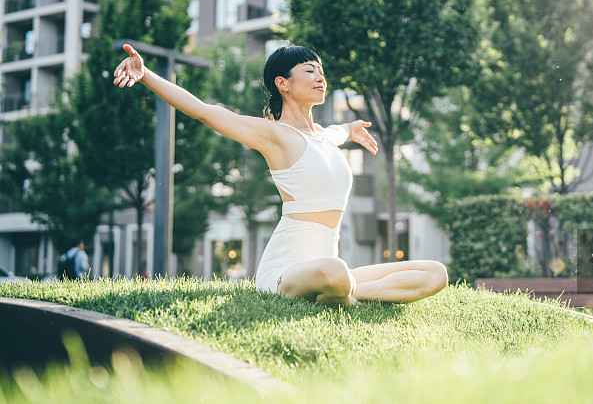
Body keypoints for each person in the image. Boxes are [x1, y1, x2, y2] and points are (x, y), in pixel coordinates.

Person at [113, 43, 448, 305]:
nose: (321, 77)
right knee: (335, 270)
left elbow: (334, 133)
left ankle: (346, 294)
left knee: (435, 274)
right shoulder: (275, 136)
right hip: (286, 272)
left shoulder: (323, 136)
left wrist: (350, 128)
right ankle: (341, 291)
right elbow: (204, 112)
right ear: (283, 83)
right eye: (310, 71)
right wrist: (146, 75)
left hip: (328, 269)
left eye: (321, 71)